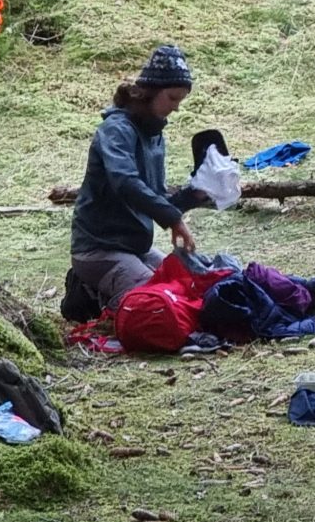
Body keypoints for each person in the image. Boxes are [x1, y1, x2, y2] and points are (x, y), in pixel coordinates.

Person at [62, 45, 210, 320]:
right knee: (158, 303)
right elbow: (125, 182)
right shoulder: (116, 130)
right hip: (98, 248)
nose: (176, 107)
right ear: (151, 92)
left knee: (185, 287)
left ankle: (110, 290)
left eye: (180, 100)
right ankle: (95, 297)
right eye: (172, 98)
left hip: (134, 246)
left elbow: (154, 196)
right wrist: (173, 220)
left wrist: (196, 194)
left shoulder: (153, 134)